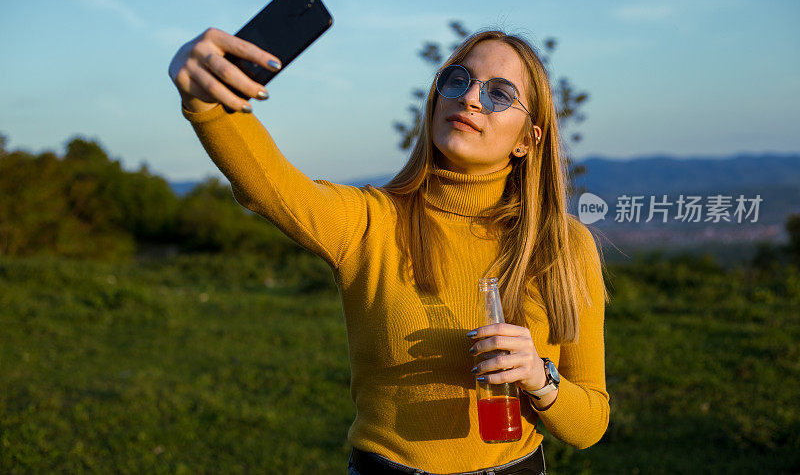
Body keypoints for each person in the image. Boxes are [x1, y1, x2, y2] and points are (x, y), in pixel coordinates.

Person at [168, 27, 610, 475]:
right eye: (457, 80)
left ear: (527, 140)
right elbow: (271, 186)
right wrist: (206, 103)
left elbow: (590, 424)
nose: (470, 98)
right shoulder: (370, 221)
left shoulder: (563, 245)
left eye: (499, 94)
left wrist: (539, 376)